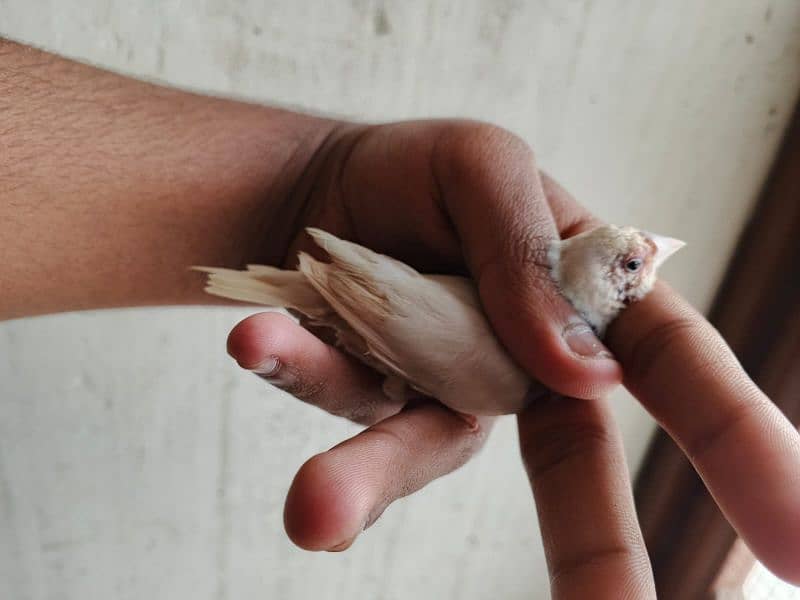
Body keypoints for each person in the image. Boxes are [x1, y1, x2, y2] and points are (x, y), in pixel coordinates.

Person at [1, 38, 798, 598]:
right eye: (634, 263)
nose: (649, 262)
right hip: (355, 284)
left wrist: (302, 195)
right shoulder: (520, 378)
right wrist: (303, 206)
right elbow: (399, 311)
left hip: (358, 284)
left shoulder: (524, 361)